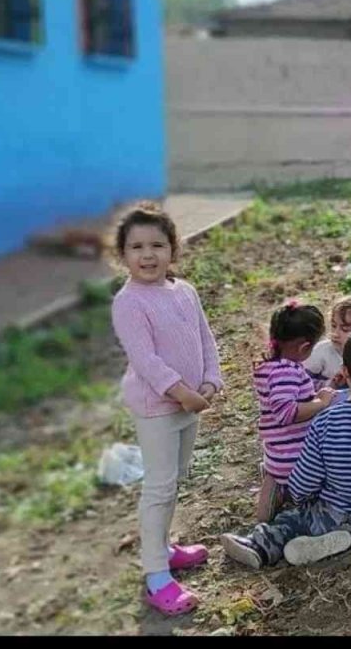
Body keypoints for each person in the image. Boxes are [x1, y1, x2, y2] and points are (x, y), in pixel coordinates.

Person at [221, 325, 351, 569]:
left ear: (345, 371)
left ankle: (260, 546)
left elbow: (304, 481)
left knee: (290, 519)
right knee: (349, 520)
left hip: (332, 514)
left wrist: (299, 498)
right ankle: (341, 542)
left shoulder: (327, 420)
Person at [109, 202, 222, 616]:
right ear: (123, 255)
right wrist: (182, 392)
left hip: (190, 400)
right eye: (137, 246)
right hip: (158, 407)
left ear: (173, 249)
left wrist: (211, 380)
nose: (148, 254)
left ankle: (165, 547)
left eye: (158, 244)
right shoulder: (128, 302)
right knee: (159, 486)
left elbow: (205, 339)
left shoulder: (185, 292)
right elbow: (146, 360)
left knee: (175, 479)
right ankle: (156, 573)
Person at [253, 301, 337, 522]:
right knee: (323, 482)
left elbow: (288, 397)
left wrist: (320, 390)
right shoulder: (287, 371)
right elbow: (287, 412)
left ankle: (271, 500)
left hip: (275, 453)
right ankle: (296, 507)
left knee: (275, 476)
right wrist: (321, 403)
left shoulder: (268, 367)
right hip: (297, 456)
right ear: (304, 347)